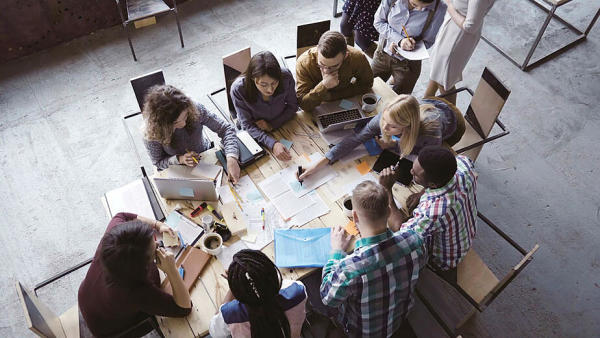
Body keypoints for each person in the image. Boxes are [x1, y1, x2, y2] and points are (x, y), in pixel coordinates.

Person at [320, 181, 427, 337]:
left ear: (354, 216)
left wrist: (337, 251)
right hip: (399, 319)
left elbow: (327, 298)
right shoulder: (415, 240)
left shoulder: (350, 268)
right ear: (389, 211)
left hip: (363, 332)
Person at [78, 213, 191, 337]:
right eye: (154, 250)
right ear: (141, 268)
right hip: (107, 328)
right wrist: (171, 270)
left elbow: (122, 215)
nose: (158, 243)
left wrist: (158, 225)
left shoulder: (114, 237)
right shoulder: (133, 292)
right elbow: (184, 309)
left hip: (87, 295)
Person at [298, 94, 465, 179]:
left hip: (451, 123)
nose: (384, 127)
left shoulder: (430, 134)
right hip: (427, 104)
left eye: (392, 126)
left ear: (407, 127)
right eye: (384, 119)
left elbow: (431, 163)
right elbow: (356, 139)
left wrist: (392, 146)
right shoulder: (385, 119)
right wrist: (319, 163)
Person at [379, 145, 477, 283]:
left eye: (415, 175)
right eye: (413, 166)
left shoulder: (433, 212)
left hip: (447, 259)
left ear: (433, 184)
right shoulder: (464, 164)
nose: (411, 171)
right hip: (468, 231)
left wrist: (386, 189)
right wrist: (422, 192)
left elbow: (400, 230)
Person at [142, 85, 241, 183]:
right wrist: (179, 159)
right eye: (175, 123)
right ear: (162, 124)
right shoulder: (152, 132)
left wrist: (232, 157)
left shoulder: (195, 109)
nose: (183, 124)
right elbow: (158, 162)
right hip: (176, 171)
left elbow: (226, 129)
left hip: (204, 156)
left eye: (185, 116)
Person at [209, 249, 307, 338]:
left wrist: (233, 288)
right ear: (272, 273)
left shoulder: (230, 314)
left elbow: (214, 332)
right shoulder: (297, 291)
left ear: (238, 293)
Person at [231, 51, 298, 162]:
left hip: (284, 125)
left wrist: (272, 125)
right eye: (263, 84)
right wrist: (273, 144)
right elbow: (247, 125)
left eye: (274, 83)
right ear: (253, 79)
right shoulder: (239, 89)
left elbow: (293, 106)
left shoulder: (285, 77)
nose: (270, 90)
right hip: (256, 134)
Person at [425, 0, 496, 104]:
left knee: (444, 80)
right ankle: (426, 99)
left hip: (457, 37)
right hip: (452, 26)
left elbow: (470, 26)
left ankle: (453, 116)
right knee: (438, 70)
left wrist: (449, 5)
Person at [372, 0, 447, 94]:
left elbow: (428, 41)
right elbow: (379, 22)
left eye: (426, 8)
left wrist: (411, 46)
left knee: (399, 102)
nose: (420, 9)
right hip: (382, 54)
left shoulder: (439, 9)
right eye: (414, 4)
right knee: (369, 87)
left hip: (408, 65)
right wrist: (398, 40)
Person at [296, 30, 374, 112]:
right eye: (321, 64)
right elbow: (303, 104)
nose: (326, 71)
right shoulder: (303, 63)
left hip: (345, 101)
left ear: (346, 56)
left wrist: (332, 96)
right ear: (317, 49)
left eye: (334, 66)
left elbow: (367, 83)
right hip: (317, 106)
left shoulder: (357, 57)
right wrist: (323, 85)